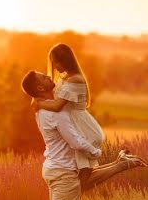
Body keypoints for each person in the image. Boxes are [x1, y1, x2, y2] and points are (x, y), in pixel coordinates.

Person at [21, 70, 146, 200]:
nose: (48, 76)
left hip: (58, 170)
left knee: (76, 195)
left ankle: (121, 164)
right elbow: (75, 141)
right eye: (44, 77)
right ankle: (122, 164)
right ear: (40, 88)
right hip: (61, 172)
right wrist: (95, 151)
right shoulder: (54, 112)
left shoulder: (43, 107)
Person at [33, 43, 106, 187]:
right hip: (75, 127)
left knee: (82, 183)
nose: (55, 66)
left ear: (66, 60)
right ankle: (120, 163)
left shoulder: (75, 79)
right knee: (80, 182)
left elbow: (57, 105)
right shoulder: (65, 78)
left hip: (83, 129)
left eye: (57, 61)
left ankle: (121, 165)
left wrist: (38, 104)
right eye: (53, 62)